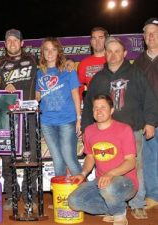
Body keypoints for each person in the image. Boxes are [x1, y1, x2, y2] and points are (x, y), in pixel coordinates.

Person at [81, 37, 158, 220]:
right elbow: (89, 103)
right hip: (104, 132)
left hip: (132, 128)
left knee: (135, 166)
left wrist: (150, 122)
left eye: (117, 51)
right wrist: (85, 128)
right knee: (107, 166)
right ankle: (113, 205)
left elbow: (149, 98)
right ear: (105, 54)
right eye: (109, 51)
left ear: (124, 54)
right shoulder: (98, 77)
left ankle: (137, 203)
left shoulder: (135, 72)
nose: (113, 54)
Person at [69, 94, 138, 225]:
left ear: (111, 110)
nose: (98, 111)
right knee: (74, 202)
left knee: (108, 187)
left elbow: (131, 162)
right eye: (95, 108)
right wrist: (83, 174)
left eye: (103, 107)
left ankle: (119, 214)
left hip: (126, 182)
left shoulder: (124, 129)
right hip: (100, 182)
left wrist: (110, 174)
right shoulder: (89, 131)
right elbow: (90, 156)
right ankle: (113, 208)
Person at [0, 29, 38, 210]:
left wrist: (67, 63)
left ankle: (30, 196)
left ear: (22, 43)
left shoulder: (33, 59)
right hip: (8, 117)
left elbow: (53, 64)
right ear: (5, 44)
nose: (12, 43)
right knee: (7, 158)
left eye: (15, 40)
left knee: (31, 157)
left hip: (29, 115)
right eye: (9, 40)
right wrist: (4, 86)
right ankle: (12, 195)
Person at [35, 37, 82, 177]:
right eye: (46, 49)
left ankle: (84, 193)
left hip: (67, 120)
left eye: (53, 49)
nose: (50, 53)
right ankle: (61, 195)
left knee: (69, 157)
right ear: (42, 52)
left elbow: (76, 95)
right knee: (57, 160)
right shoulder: (39, 73)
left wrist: (79, 119)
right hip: (47, 122)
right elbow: (37, 96)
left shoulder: (68, 70)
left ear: (59, 52)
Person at [134, 17, 158, 210]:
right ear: (143, 37)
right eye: (147, 32)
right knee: (149, 159)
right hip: (148, 120)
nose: (151, 36)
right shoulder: (138, 63)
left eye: (155, 32)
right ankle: (153, 195)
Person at [77, 27, 108, 101]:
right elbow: (78, 89)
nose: (97, 41)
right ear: (91, 42)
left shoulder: (113, 59)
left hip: (113, 107)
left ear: (106, 40)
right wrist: (78, 107)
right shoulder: (84, 63)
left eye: (101, 38)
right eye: (94, 38)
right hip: (93, 107)